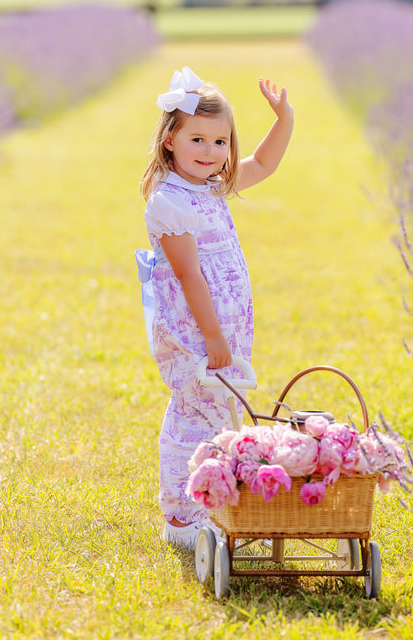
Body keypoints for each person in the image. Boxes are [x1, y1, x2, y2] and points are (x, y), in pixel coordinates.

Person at [138, 66, 294, 548]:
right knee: (193, 410)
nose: (210, 153)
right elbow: (188, 275)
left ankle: (214, 502)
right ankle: (181, 517)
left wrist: (284, 118)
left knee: (221, 409)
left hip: (224, 323)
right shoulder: (170, 201)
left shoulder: (209, 186)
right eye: (198, 141)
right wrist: (211, 336)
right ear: (170, 140)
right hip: (195, 327)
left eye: (220, 143)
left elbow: (263, 165)